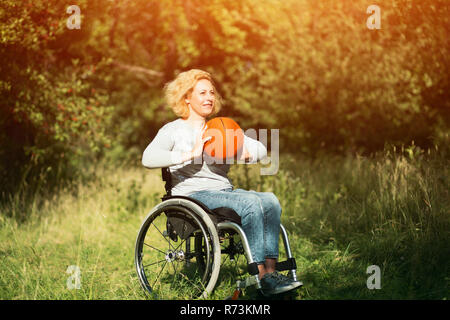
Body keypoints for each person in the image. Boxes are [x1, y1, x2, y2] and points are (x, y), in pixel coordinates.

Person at [142, 69, 302, 296]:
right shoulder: (174, 130)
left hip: (224, 191)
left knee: (270, 201)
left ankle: (271, 272)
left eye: (212, 93)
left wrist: (245, 152)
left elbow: (261, 148)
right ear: (186, 97)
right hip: (192, 195)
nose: (209, 97)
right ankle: (261, 276)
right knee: (250, 203)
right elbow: (148, 158)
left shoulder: (221, 128)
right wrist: (190, 153)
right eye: (202, 93)